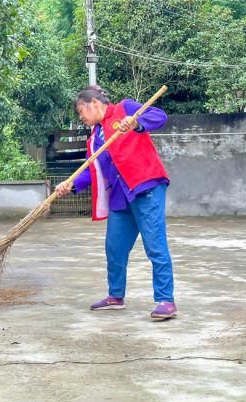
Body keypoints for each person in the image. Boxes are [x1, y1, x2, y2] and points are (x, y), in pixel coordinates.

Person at [55, 85, 177, 320]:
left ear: (93, 103)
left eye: (81, 112)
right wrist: (70, 183)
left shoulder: (125, 108)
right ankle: (115, 296)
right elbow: (93, 169)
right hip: (121, 196)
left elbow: (159, 116)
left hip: (146, 186)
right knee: (115, 247)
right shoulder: (95, 138)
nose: (81, 117)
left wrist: (135, 123)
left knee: (155, 245)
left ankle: (166, 300)